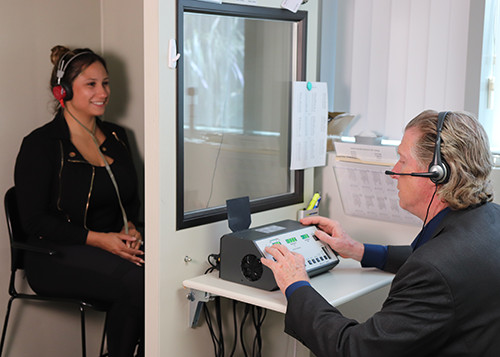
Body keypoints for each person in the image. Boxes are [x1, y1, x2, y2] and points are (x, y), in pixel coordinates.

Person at [261, 110, 500, 357]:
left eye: (402, 160)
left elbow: (354, 349)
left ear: (437, 173)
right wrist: (358, 250)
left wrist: (296, 285)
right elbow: (445, 263)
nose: (394, 172)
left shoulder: (433, 270)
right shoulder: (490, 220)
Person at [14, 45, 144, 357]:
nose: (103, 92)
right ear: (62, 91)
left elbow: (131, 199)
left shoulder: (117, 136)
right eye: (91, 84)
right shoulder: (40, 145)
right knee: (139, 282)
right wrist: (99, 240)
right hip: (51, 255)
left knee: (163, 274)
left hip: (110, 245)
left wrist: (132, 227)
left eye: (106, 83)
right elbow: (33, 220)